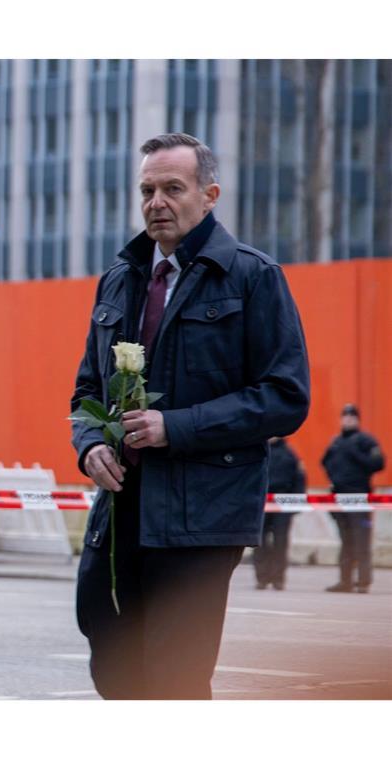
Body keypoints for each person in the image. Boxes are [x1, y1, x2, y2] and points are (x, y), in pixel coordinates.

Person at [70, 133, 310, 699]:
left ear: (209, 195)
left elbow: (285, 396)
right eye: (147, 190)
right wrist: (89, 444)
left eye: (172, 188)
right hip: (121, 508)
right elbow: (85, 388)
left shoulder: (252, 277)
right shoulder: (120, 277)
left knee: (174, 679)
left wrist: (173, 427)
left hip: (200, 518)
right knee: (112, 662)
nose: (157, 202)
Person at [322, 403, 384, 593]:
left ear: (357, 419)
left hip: (359, 497)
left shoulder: (366, 441)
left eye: (351, 416)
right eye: (345, 416)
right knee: (346, 541)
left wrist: (354, 452)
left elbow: (378, 463)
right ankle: (345, 581)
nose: (348, 419)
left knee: (361, 541)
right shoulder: (336, 441)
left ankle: (364, 582)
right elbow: (325, 462)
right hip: (339, 497)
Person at [253, 437, 305, 591]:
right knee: (259, 542)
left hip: (283, 505)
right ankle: (262, 578)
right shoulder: (259, 452)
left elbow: (299, 479)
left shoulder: (290, 454)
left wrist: (296, 504)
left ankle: (278, 579)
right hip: (261, 503)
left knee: (280, 543)